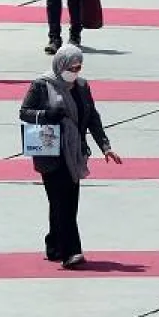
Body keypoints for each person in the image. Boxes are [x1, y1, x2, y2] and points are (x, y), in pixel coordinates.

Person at [18, 45, 122, 269]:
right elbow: (24, 112)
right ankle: (71, 252)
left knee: (65, 204)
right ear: (60, 64)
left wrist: (105, 146)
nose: (75, 71)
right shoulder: (41, 84)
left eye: (79, 67)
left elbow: (92, 117)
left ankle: (54, 244)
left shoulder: (82, 86)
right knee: (62, 203)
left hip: (74, 154)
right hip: (51, 153)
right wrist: (47, 115)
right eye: (72, 67)